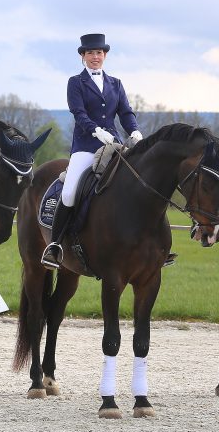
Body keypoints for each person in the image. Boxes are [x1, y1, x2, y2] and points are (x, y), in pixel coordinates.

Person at [40, 33, 143, 269]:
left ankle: (149, 243)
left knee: (139, 182)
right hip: (86, 145)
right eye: (90, 53)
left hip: (115, 145)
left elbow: (125, 112)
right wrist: (96, 130)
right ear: (83, 56)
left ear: (104, 55)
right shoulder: (75, 82)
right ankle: (55, 245)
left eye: (98, 53)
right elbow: (78, 113)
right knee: (68, 194)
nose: (95, 57)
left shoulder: (116, 83)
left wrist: (134, 131)